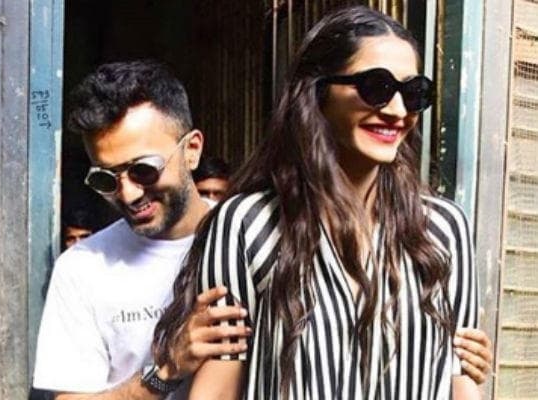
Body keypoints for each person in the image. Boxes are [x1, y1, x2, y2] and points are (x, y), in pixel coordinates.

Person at [154, 6, 490, 399]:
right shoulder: (247, 225)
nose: (398, 111)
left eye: (413, 93)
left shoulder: (444, 230)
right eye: (376, 87)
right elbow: (218, 387)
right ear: (318, 92)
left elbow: (461, 379)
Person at [33, 60, 251, 399]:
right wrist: (165, 371)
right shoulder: (81, 268)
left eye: (144, 170)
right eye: (106, 179)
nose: (128, 194)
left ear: (191, 150)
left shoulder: (250, 238)